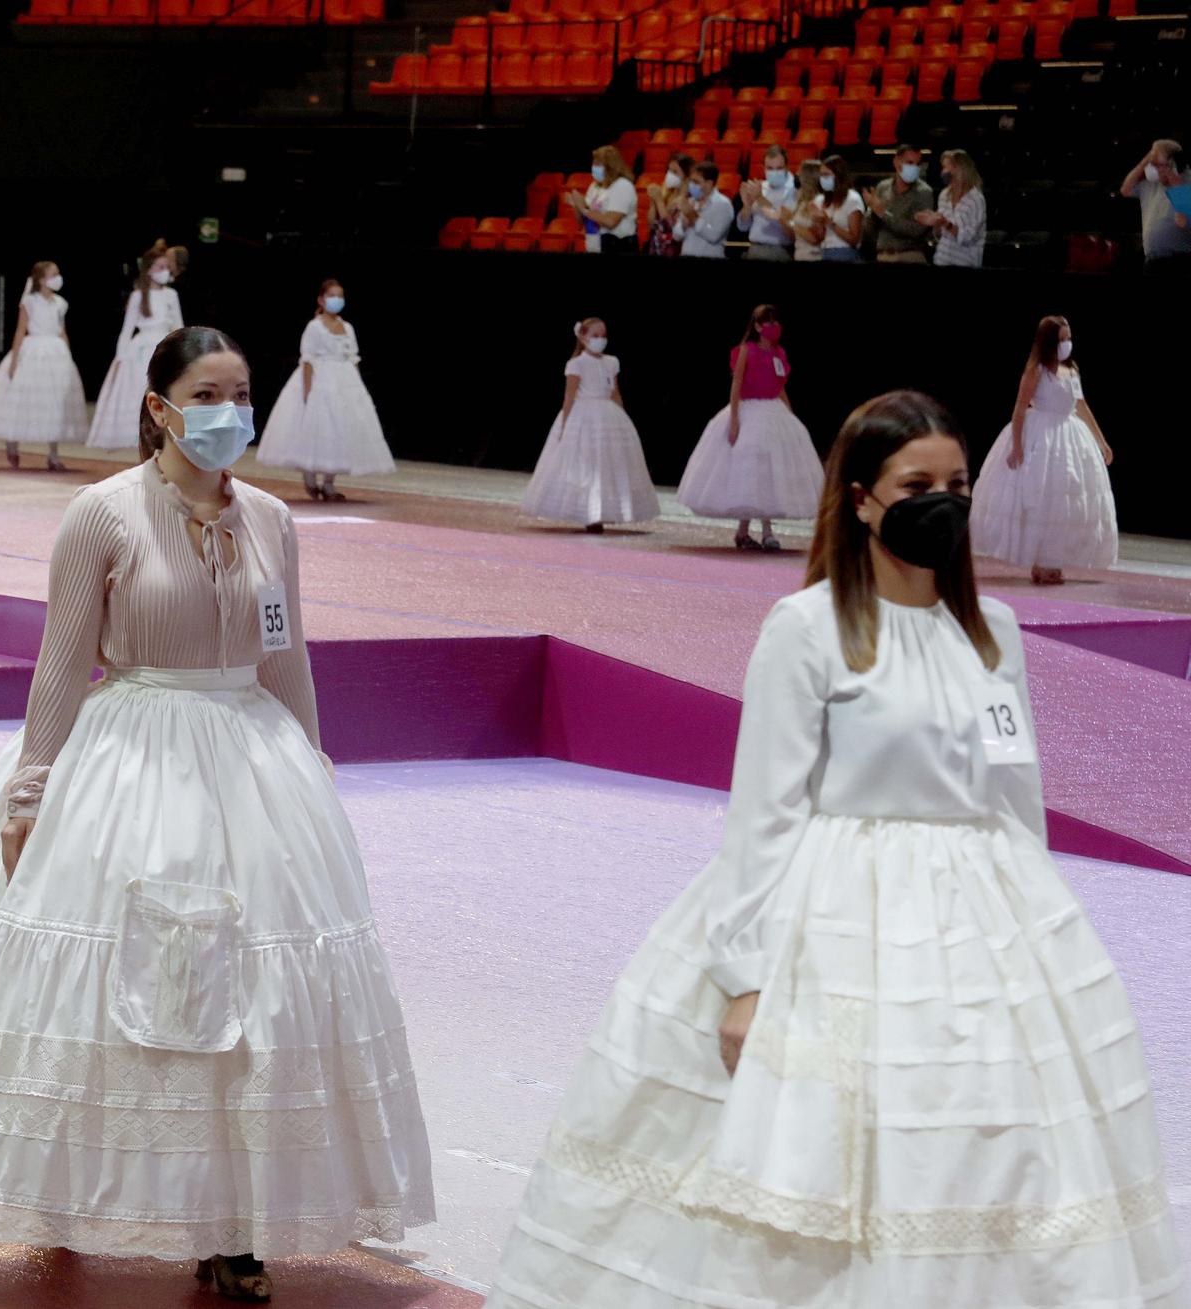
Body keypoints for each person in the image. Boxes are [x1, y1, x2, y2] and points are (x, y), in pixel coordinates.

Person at [487, 389, 1182, 1309]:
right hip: (836, 916)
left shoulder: (993, 632)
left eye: (958, 482)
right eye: (917, 483)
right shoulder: (808, 629)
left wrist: (1044, 934)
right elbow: (764, 813)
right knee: (817, 1153)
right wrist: (743, 977)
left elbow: (1016, 795)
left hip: (981, 917)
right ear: (861, 498)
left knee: (980, 1146)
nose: (944, 499)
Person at [0, 325, 436, 1302]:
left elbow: (286, 657)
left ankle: (231, 1227)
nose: (228, 409)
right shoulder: (100, 516)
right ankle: (61, 1191)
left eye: (241, 389)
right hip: (131, 756)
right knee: (98, 987)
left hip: (253, 768)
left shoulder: (271, 519)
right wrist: (30, 789)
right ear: (159, 407)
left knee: (251, 1001)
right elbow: (63, 664)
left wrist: (312, 765)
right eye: (206, 391)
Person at [970, 315, 1118, 585]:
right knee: (1038, 498)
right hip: (1042, 437)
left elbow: (1081, 406)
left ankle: (1053, 560)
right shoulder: (1037, 370)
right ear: (1049, 341)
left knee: (1064, 501)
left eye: (1069, 338)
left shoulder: (1071, 370)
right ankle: (1040, 562)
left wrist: (1101, 441)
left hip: (1070, 435)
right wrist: (1017, 446)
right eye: (1062, 339)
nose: (1067, 344)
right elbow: (1020, 408)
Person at [678, 304, 824, 551]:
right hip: (750, 411)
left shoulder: (779, 354)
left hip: (772, 411)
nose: (772, 327)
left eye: (775, 322)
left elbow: (779, 387)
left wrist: (790, 416)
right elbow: (737, 384)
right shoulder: (746, 350)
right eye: (767, 323)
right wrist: (735, 418)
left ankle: (762, 531)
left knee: (768, 472)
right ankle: (747, 531)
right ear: (757, 326)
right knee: (750, 471)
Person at [257, 278, 395, 501]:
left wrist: (359, 391)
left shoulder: (347, 327)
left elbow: (353, 359)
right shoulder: (314, 326)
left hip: (344, 383)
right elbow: (308, 360)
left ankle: (329, 484)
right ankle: (310, 479)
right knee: (314, 427)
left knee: (340, 430)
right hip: (321, 381)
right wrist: (308, 391)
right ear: (321, 299)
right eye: (332, 296)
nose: (337, 300)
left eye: (340, 296)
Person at [521, 319, 659, 532]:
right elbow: (569, 396)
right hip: (583, 416)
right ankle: (588, 513)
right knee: (586, 464)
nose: (601, 340)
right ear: (583, 337)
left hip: (608, 415)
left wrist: (623, 421)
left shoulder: (611, 362)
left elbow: (615, 392)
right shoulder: (577, 363)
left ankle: (602, 511)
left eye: (603, 336)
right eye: (595, 336)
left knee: (607, 466)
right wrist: (564, 427)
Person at [0, 260, 84, 471]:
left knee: (54, 403)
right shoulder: (30, 301)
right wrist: (15, 360)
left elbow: (62, 330)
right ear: (42, 279)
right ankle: (12, 443)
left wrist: (68, 356)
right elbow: (20, 330)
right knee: (22, 399)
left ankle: (53, 454)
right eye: (53, 274)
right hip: (33, 350)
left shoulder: (60, 303)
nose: (57, 278)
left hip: (55, 351)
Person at [86, 239, 186, 449]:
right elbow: (126, 330)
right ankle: (142, 438)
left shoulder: (171, 295)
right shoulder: (138, 296)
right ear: (148, 270)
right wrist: (120, 359)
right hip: (140, 351)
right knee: (139, 391)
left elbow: (178, 326)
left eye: (167, 267)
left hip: (164, 346)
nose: (165, 271)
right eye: (160, 267)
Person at [1120, 139, 1191, 269]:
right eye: (1154, 165)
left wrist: (1170, 175)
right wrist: (1149, 158)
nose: (1155, 169)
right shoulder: (1150, 184)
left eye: (1159, 165)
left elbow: (1184, 221)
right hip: (1153, 261)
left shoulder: (1186, 182)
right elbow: (1126, 189)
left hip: (1180, 261)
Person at [867, 143, 935, 264]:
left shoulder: (924, 192)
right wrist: (871, 212)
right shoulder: (883, 187)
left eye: (917, 164)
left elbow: (916, 230)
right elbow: (871, 227)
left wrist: (883, 213)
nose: (914, 167)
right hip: (883, 256)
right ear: (896, 162)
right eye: (909, 163)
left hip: (910, 257)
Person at [923, 148, 988, 268]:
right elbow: (940, 235)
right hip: (941, 260)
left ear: (959, 169)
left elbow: (969, 238)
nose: (943, 172)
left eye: (946, 167)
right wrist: (934, 222)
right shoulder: (944, 195)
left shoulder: (976, 199)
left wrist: (945, 223)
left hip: (965, 263)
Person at [568, 145, 639, 254]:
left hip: (619, 246)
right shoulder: (594, 186)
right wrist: (576, 205)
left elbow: (610, 222)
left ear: (610, 166)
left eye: (598, 164)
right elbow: (582, 221)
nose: (593, 167)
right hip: (595, 244)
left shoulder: (622, 185)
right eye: (593, 163)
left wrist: (584, 210)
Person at [735, 144, 798, 260]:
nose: (774, 172)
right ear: (764, 168)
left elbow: (789, 230)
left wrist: (759, 198)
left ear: (787, 168)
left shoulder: (793, 192)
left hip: (779, 252)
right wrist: (747, 205)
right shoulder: (759, 187)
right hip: (753, 249)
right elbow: (743, 227)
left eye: (779, 168)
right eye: (770, 168)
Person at [678, 162, 734, 258]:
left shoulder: (723, 204)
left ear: (709, 183)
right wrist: (683, 225)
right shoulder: (691, 201)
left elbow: (714, 236)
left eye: (696, 182)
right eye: (691, 181)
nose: (691, 185)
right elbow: (677, 235)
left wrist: (694, 218)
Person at [818, 153, 866, 263]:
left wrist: (831, 224)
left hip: (845, 253)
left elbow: (854, 239)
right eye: (821, 175)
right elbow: (821, 236)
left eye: (826, 175)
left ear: (838, 175)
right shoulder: (825, 200)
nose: (822, 179)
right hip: (825, 252)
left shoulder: (852, 199)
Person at [644, 152, 694, 257]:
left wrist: (659, 201)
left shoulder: (689, 199)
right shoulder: (666, 193)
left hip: (673, 250)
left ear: (686, 176)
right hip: (657, 247)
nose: (669, 175)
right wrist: (653, 202)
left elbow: (669, 227)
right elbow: (652, 224)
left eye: (675, 172)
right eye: (669, 170)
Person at [781, 158, 828, 262]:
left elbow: (814, 239)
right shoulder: (802, 202)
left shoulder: (819, 202)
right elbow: (796, 235)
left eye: (800, 172)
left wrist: (790, 222)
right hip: (800, 256)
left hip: (814, 257)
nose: (797, 174)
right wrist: (783, 220)